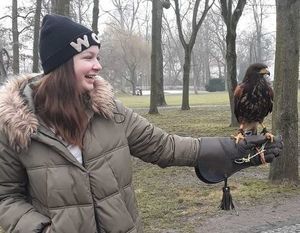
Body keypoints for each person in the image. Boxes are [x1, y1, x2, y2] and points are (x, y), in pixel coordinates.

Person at [0, 14, 283, 233]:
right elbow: (6, 197)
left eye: (98, 57)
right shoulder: (15, 126)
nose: (98, 66)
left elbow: (163, 146)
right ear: (60, 67)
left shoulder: (110, 111)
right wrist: (38, 229)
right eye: (88, 58)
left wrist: (229, 150)